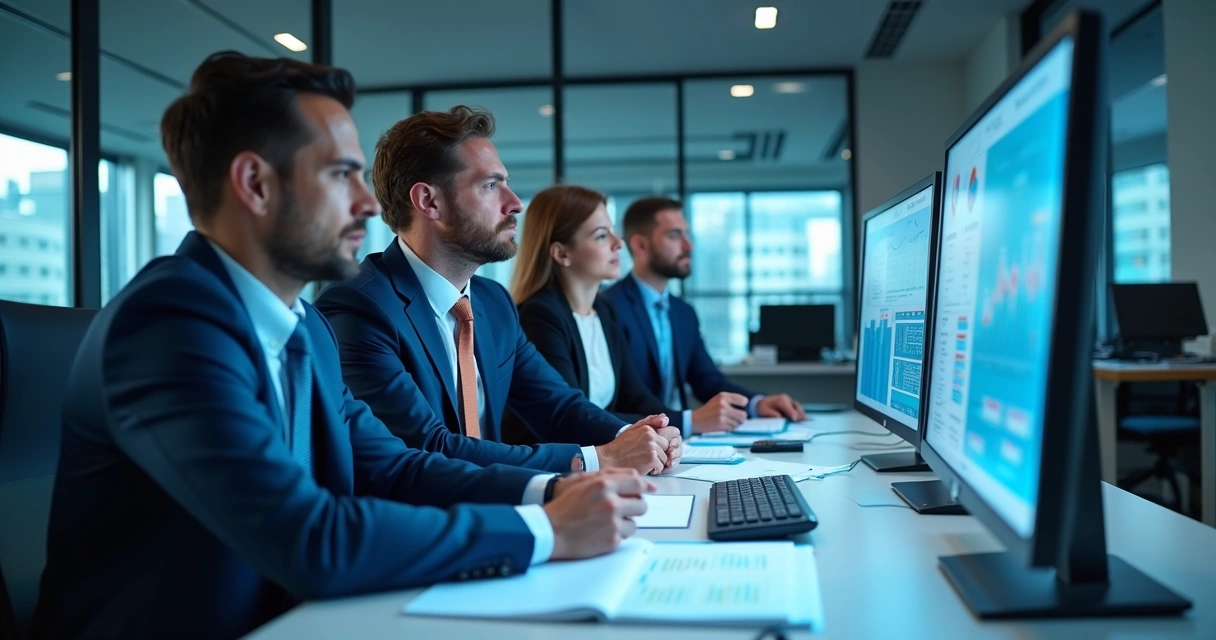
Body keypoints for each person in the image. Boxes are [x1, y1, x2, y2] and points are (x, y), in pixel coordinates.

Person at [32, 53, 651, 639]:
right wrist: (543, 530)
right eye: (339, 174)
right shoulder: (170, 324)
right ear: (255, 183)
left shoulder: (301, 325)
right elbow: (308, 537)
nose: (364, 202)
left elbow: (395, 466)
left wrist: (552, 490)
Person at [313, 107, 681, 476]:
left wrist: (634, 435)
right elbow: (430, 447)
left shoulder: (493, 301)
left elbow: (555, 404)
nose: (515, 203)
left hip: (503, 505)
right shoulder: (360, 307)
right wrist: (601, 459)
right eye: (490, 186)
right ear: (429, 201)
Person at [603, 197, 807, 434]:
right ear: (640, 245)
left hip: (672, 443)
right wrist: (688, 421)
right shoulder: (609, 308)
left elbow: (707, 381)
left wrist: (756, 403)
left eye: (687, 235)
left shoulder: (683, 313)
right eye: (674, 235)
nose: (689, 246)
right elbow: (624, 400)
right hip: (625, 443)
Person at [504, 184, 679, 446]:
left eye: (612, 232)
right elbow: (572, 415)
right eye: (601, 236)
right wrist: (642, 431)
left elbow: (635, 396)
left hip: (603, 454)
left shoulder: (605, 309)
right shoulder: (539, 315)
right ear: (562, 253)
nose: (618, 243)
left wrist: (666, 426)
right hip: (557, 467)